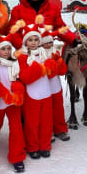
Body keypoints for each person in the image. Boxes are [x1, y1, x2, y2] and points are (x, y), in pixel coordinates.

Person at [16, 18, 58, 159]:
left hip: (45, 92)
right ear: (25, 42)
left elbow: (52, 71)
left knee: (46, 121)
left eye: (35, 39)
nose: (33, 42)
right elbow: (25, 77)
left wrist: (52, 65)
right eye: (30, 40)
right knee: (32, 123)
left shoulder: (45, 53)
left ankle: (45, 145)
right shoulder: (22, 57)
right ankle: (33, 146)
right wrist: (40, 68)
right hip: (31, 94)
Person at [0, 31, 26, 173]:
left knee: (16, 129)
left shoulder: (15, 63)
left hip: (14, 102)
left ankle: (17, 156)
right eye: (3, 49)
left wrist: (18, 89)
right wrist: (1, 92)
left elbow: (21, 79)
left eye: (9, 48)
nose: (6, 51)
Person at [8, 0, 77, 48]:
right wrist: (24, 47)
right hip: (25, 53)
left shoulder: (53, 9)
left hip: (47, 51)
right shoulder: (17, 10)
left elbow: (60, 28)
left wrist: (73, 39)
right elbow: (13, 33)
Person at [41, 26, 70, 142]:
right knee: (46, 111)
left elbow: (63, 71)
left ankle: (60, 129)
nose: (48, 45)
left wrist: (59, 63)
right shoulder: (39, 55)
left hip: (55, 86)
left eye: (50, 42)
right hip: (44, 86)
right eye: (45, 43)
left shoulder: (56, 52)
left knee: (58, 108)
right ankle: (48, 131)